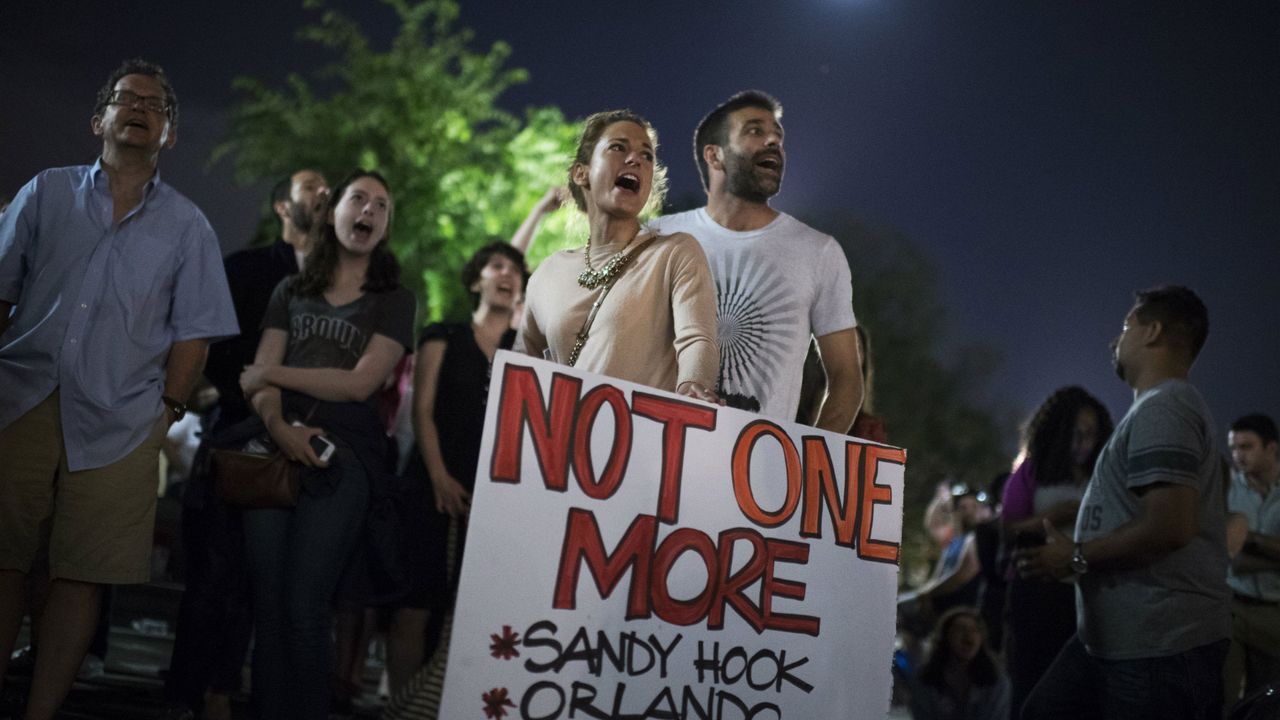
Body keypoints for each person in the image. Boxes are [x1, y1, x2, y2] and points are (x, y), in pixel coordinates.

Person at [0, 58, 238, 719]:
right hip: (17, 401)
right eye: (127, 99)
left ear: (169, 136)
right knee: (4, 563)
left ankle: (41, 712)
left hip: (121, 421)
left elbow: (194, 334)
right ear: (98, 119)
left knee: (82, 574)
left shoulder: (188, 226)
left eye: (156, 105)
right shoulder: (44, 192)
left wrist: (164, 414)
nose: (140, 108)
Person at [237, 170, 416, 720]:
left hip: (346, 460)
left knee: (305, 604)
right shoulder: (290, 291)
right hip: (274, 450)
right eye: (358, 199)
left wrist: (272, 374)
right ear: (332, 210)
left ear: (384, 228)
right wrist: (280, 429)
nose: (368, 210)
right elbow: (256, 386)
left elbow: (362, 383)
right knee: (267, 607)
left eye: (381, 206)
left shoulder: (394, 299)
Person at [1018, 286, 1231, 720]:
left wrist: (1075, 556)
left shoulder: (1166, 407)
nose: (1116, 340)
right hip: (1115, 641)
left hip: (1159, 648)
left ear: (1152, 331)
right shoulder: (1153, 409)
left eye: (1125, 327)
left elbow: (1170, 527)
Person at [165, 168, 328, 720]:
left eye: (330, 188)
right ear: (284, 206)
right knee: (215, 575)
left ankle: (224, 691)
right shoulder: (245, 269)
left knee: (266, 584)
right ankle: (186, 694)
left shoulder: (342, 280)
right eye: (312, 187)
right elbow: (220, 351)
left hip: (303, 445)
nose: (323, 195)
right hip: (238, 436)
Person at [647, 90, 862, 429]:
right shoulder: (655, 237)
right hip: (656, 458)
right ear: (714, 156)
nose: (774, 140)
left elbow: (847, 377)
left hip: (757, 474)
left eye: (777, 135)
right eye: (755, 131)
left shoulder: (819, 252)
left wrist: (809, 463)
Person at [383, 242, 530, 718]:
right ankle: (402, 706)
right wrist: (440, 476)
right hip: (430, 485)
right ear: (476, 281)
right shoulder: (443, 333)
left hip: (494, 499)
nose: (507, 274)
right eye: (497, 266)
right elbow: (422, 412)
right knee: (414, 608)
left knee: (465, 616)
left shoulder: (524, 351)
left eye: (516, 270)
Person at [517, 109, 719, 401]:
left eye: (647, 155)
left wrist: (692, 387)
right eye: (618, 147)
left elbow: (697, 340)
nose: (635, 159)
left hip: (641, 444)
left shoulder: (675, 253)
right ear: (581, 173)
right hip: (562, 443)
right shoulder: (546, 274)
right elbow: (521, 372)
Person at [1000, 386, 1113, 717]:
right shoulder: (1033, 471)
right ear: (1057, 431)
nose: (1082, 443)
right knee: (1033, 687)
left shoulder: (1105, 474)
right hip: (1039, 594)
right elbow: (1008, 531)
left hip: (1091, 596)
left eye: (1091, 434)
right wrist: (1057, 515)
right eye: (1075, 433)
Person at [1223, 413, 1280, 711]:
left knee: (1267, 699)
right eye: (1233, 448)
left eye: (1246, 447)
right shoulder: (1228, 491)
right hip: (1233, 606)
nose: (1237, 455)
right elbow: (1230, 557)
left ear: (1271, 449)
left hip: (1273, 613)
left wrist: (1250, 537)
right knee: (1223, 697)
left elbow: (1238, 549)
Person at [903, 606, 1011, 720]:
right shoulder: (925, 679)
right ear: (945, 637)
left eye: (975, 630)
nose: (968, 634)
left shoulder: (996, 680)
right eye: (960, 629)